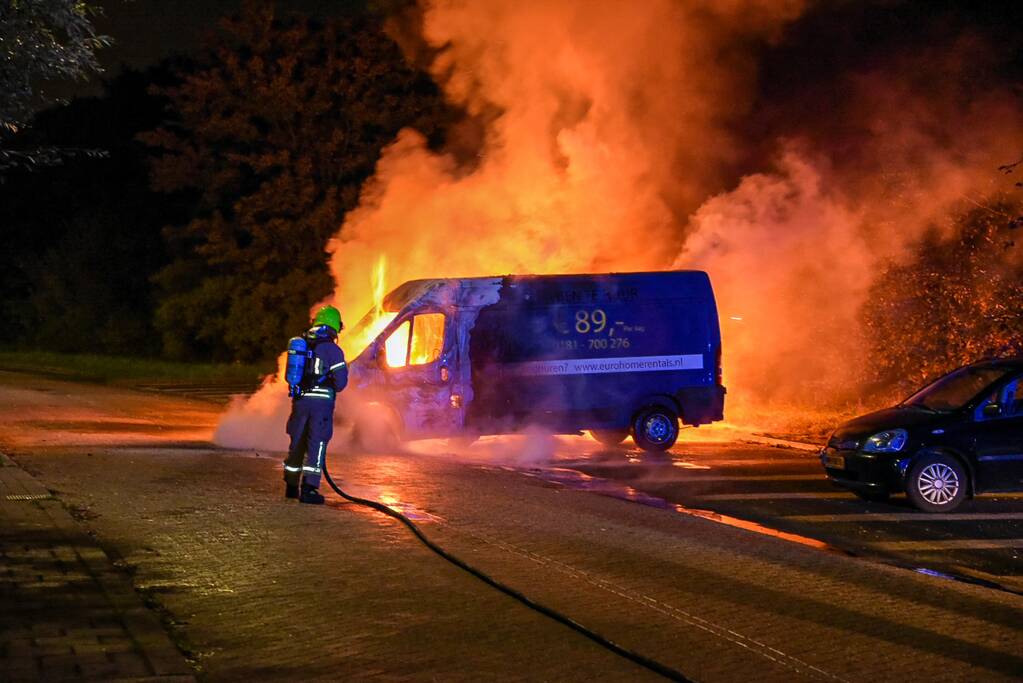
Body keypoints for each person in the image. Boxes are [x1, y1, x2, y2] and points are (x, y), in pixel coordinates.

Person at [284, 305, 348, 504]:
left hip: (300, 402)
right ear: (334, 327)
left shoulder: (303, 344)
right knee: (316, 444)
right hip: (320, 406)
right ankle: (310, 489)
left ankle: (291, 486)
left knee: (297, 443)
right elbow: (341, 383)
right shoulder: (333, 350)